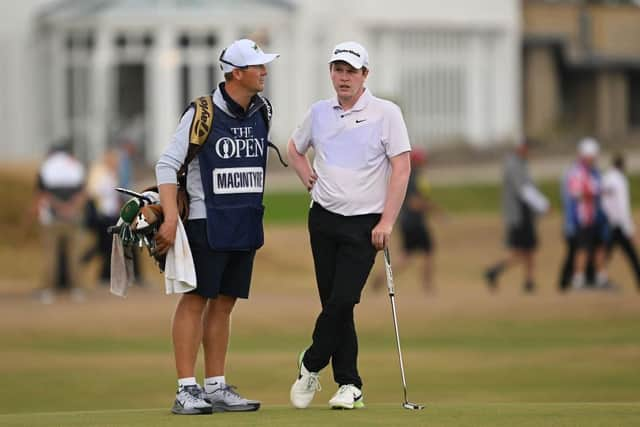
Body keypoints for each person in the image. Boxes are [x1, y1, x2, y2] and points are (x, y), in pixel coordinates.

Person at [154, 39, 279, 415]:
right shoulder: (201, 113)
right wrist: (171, 219)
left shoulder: (262, 109)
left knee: (224, 304)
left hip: (243, 221)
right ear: (236, 73)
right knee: (195, 301)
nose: (265, 72)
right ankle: (185, 389)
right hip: (205, 222)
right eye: (258, 66)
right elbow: (166, 165)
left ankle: (216, 386)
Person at [287, 41, 411, 410]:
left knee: (344, 299)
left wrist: (388, 221)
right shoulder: (319, 113)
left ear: (364, 75)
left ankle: (310, 364)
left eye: (351, 71)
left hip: (365, 224)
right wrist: (305, 172)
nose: (343, 77)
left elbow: (401, 168)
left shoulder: (386, 113)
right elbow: (294, 148)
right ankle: (350, 385)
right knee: (334, 304)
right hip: (323, 219)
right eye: (337, 70)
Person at [371, 147, 441, 293]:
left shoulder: (409, 176)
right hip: (414, 222)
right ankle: (428, 287)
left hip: (406, 222)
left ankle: (382, 277)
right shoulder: (413, 177)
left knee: (406, 256)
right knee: (428, 252)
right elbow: (413, 203)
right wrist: (432, 207)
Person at [484, 140, 549, 293]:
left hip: (525, 214)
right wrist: (543, 205)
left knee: (529, 250)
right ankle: (494, 271)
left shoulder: (521, 164)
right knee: (521, 251)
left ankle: (529, 281)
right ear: (522, 149)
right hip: (519, 215)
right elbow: (524, 190)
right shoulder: (513, 165)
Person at [30, 142, 87, 303]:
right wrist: (71, 208)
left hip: (50, 219)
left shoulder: (47, 166)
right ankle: (77, 289)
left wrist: (58, 207)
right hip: (73, 218)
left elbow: (42, 193)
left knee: (51, 256)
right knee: (74, 255)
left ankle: (48, 290)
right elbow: (82, 193)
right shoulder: (75, 166)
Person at [564, 137, 611, 290]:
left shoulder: (595, 172)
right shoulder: (577, 172)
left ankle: (601, 278)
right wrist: (595, 193)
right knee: (582, 249)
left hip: (597, 216)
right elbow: (576, 193)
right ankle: (578, 280)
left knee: (599, 247)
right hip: (584, 217)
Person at [602, 153, 640, 290]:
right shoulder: (619, 180)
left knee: (605, 253)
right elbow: (622, 206)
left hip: (608, 222)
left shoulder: (606, 178)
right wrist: (629, 228)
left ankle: (598, 276)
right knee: (632, 255)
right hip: (618, 224)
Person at [83, 148, 121, 286]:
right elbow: (93, 193)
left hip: (111, 215)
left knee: (106, 246)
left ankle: (104, 274)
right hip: (102, 215)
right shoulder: (100, 173)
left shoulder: (111, 174)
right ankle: (99, 272)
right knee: (104, 246)